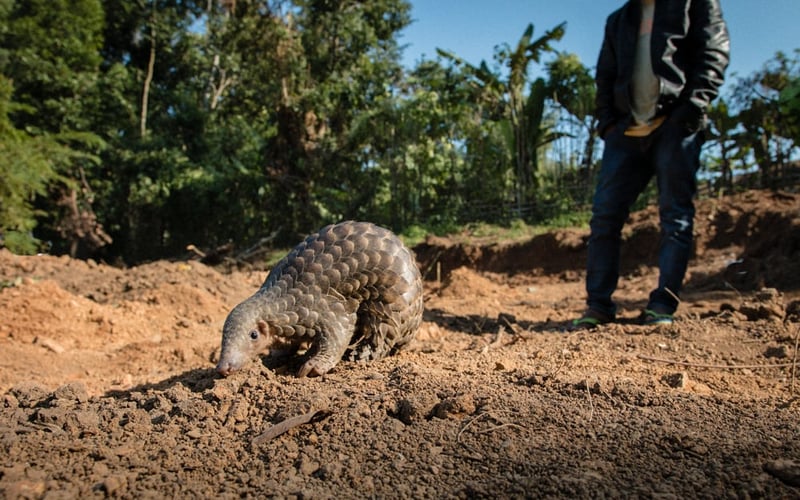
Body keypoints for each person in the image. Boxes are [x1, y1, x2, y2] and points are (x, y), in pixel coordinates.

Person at [572, 0, 730, 329]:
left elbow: (714, 51)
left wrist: (692, 107)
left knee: (675, 217)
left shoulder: (694, 5)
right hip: (626, 133)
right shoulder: (619, 20)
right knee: (604, 216)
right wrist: (608, 126)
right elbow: (605, 75)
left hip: (675, 126)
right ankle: (598, 305)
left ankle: (662, 305)